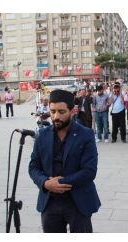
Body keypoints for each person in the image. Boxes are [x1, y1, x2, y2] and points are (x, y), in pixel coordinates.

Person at [28, 89, 101, 233]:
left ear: (72, 111)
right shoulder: (42, 135)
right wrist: (45, 183)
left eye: (61, 112)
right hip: (50, 202)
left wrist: (58, 184)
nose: (56, 116)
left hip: (78, 201)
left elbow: (89, 171)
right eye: (52, 111)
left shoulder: (86, 134)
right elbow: (33, 167)